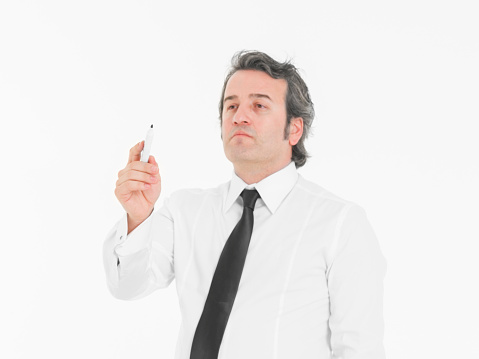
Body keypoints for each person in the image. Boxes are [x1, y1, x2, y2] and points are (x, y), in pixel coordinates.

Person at [103, 50, 387, 359]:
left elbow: (360, 349)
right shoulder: (185, 211)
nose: (239, 116)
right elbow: (127, 286)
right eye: (231, 105)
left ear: (294, 128)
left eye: (259, 105)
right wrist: (139, 216)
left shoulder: (340, 224)